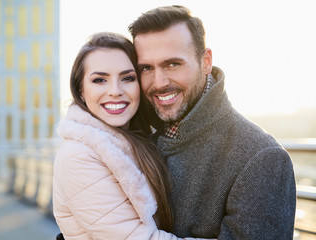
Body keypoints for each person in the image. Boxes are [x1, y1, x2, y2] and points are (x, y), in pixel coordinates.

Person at [128, 5, 296, 240]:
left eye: (172, 64)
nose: (159, 82)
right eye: (146, 68)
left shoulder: (260, 157)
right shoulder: (131, 139)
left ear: (206, 61)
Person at [52, 32, 212, 240]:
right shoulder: (78, 156)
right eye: (100, 80)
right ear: (81, 90)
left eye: (127, 78)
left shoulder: (134, 141)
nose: (115, 91)